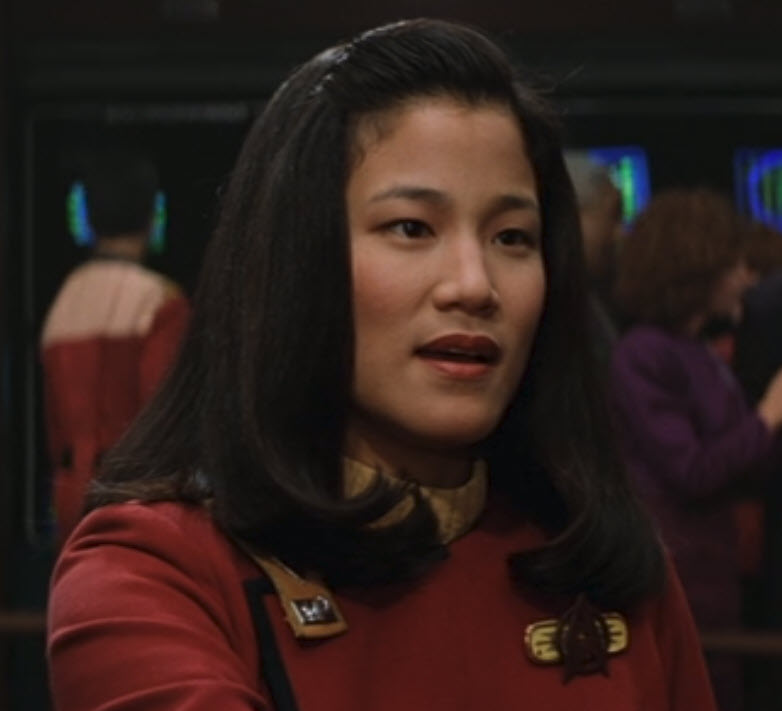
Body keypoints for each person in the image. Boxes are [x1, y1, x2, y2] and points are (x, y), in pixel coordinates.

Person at [48, 19, 716, 711]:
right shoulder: (156, 569)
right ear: (293, 260)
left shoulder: (603, 561)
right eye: (411, 228)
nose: (474, 284)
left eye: (513, 237)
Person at [610, 188, 782, 710]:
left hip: (717, 567)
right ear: (696, 268)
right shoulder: (642, 353)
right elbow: (691, 470)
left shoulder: (695, 350)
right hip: (680, 573)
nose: (745, 279)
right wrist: (769, 414)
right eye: (732, 265)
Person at [40, 149, 190, 544]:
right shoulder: (159, 301)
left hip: (70, 495)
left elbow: (55, 429)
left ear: (87, 217)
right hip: (137, 495)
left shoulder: (64, 302)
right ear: (152, 214)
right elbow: (163, 416)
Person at [563, 151, 624, 365]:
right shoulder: (549, 315)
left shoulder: (590, 300)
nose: (619, 234)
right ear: (570, 215)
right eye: (614, 215)